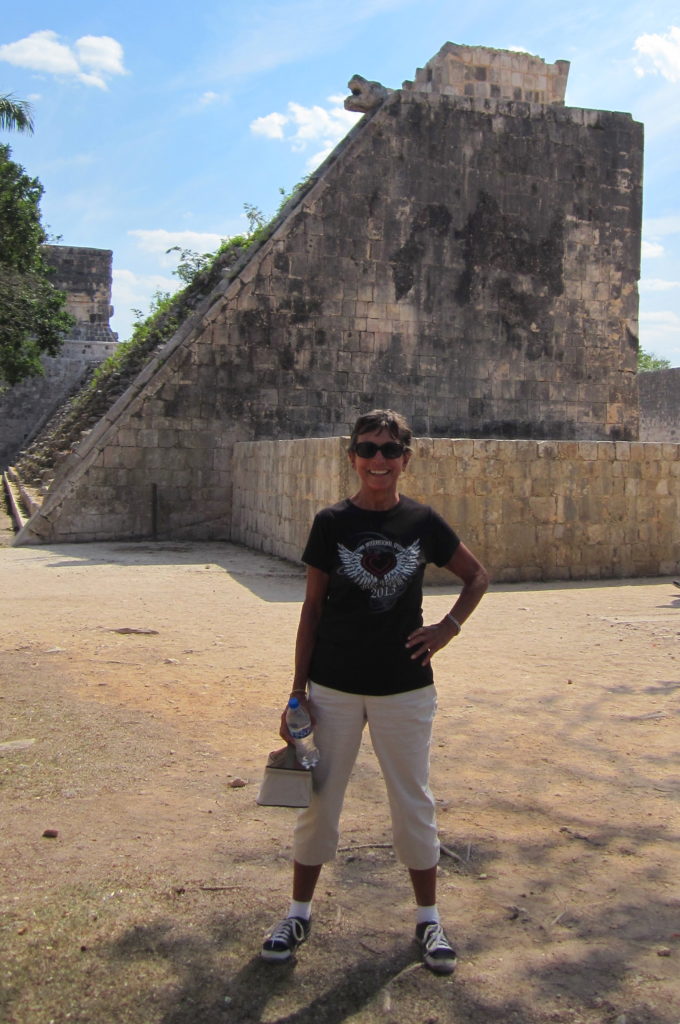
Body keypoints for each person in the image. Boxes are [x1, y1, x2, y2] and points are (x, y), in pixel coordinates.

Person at [261, 409, 489, 974]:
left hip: (404, 687)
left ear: (406, 459)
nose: (379, 460)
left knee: (413, 802)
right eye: (368, 449)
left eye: (390, 450)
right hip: (334, 685)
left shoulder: (423, 521)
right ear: (352, 457)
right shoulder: (331, 523)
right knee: (319, 803)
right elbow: (312, 610)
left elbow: (477, 576)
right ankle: (297, 911)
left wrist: (446, 629)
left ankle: (428, 918)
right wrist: (297, 692)